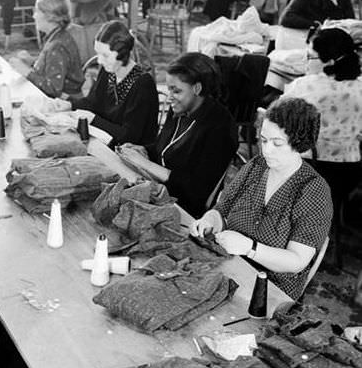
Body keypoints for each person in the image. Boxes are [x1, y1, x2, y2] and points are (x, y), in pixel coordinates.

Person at [192, 98, 333, 300]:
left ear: (299, 144)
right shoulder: (256, 166)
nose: (266, 150)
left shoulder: (314, 191)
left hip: (270, 289)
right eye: (264, 140)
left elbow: (297, 261)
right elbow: (221, 209)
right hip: (230, 266)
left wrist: (250, 248)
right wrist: (209, 221)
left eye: (277, 143)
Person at [117, 52, 237, 217]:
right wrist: (143, 150)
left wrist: (145, 164)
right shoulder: (180, 109)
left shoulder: (220, 127)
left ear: (197, 88)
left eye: (176, 91)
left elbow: (196, 190)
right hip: (157, 188)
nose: (170, 97)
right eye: (169, 90)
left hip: (183, 208)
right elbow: (166, 149)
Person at [283, 27, 361, 223]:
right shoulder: (359, 88)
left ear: (330, 61)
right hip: (350, 175)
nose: (306, 62)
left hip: (307, 173)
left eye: (310, 57)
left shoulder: (303, 86)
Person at [69, 20, 159, 149]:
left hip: (133, 153)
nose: (99, 60)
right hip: (107, 142)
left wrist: (94, 119)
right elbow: (93, 102)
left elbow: (129, 136)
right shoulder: (109, 71)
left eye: (105, 55)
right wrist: (68, 104)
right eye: (98, 53)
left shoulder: (142, 84)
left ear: (122, 53)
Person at [9, 0, 83, 98]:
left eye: (37, 11)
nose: (34, 16)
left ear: (50, 16)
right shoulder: (58, 35)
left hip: (65, 103)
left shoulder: (57, 46)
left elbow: (53, 89)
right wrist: (32, 61)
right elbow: (53, 65)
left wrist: (27, 72)